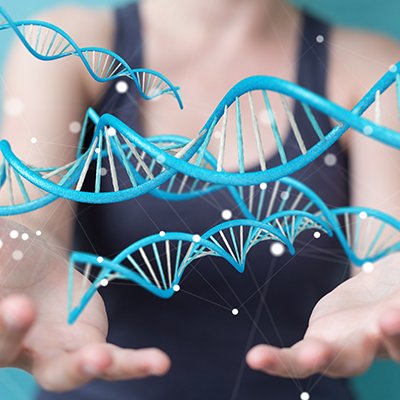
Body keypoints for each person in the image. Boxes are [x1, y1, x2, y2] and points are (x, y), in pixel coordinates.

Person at [0, 0, 400, 398]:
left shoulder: (372, 67)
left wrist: (389, 285)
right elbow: (33, 223)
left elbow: (386, 252)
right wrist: (16, 256)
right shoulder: (67, 47)